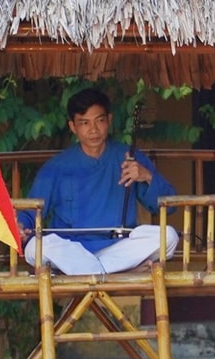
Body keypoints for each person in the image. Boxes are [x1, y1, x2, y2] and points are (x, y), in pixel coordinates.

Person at [21, 88, 178, 276]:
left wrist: (147, 177)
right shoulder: (56, 167)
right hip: (71, 251)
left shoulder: (129, 158)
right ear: (73, 127)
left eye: (99, 121)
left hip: (117, 249)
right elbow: (29, 213)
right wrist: (21, 226)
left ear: (109, 120)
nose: (93, 130)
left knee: (168, 236)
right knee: (34, 247)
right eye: (84, 123)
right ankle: (107, 272)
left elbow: (169, 206)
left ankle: (90, 272)